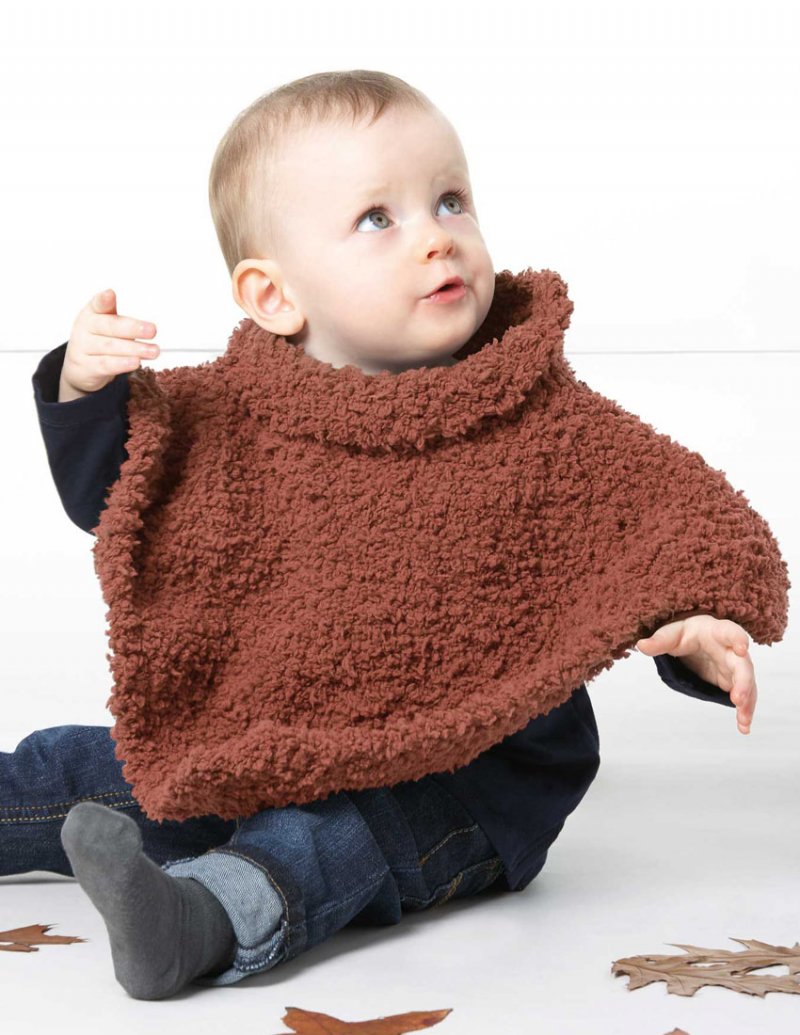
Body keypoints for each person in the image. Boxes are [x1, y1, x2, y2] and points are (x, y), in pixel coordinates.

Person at [9, 69, 756, 1000]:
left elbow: (667, 523)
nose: (438, 234)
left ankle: (199, 921)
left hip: (470, 781)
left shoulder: (537, 416)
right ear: (273, 295)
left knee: (323, 839)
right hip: (275, 737)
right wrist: (84, 389)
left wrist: (698, 623)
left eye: (451, 200)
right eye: (378, 218)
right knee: (84, 765)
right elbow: (124, 500)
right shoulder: (233, 421)